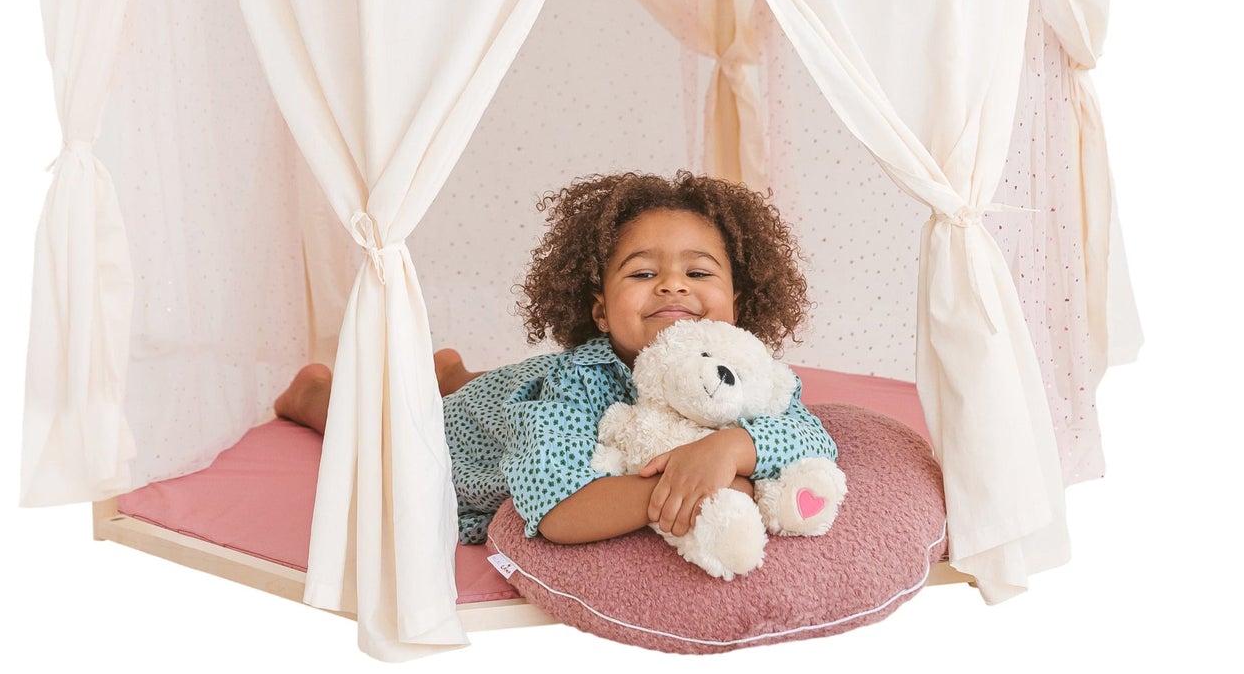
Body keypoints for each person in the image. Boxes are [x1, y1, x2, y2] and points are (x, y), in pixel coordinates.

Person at [273, 170, 838, 547]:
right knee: (383, 433)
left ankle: (451, 371)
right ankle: (314, 395)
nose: (672, 285)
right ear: (600, 311)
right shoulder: (577, 383)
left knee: (495, 385)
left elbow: (812, 437)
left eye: (697, 272)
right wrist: (688, 487)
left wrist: (729, 448)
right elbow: (556, 509)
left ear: (737, 303)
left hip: (517, 390)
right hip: (471, 428)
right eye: (644, 273)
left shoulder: (750, 372)